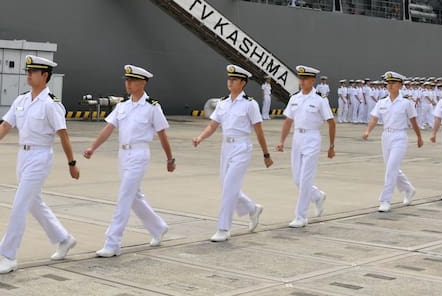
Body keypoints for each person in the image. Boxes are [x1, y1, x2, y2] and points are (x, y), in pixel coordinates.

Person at [0, 55, 80, 274]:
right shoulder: (21, 100)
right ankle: (64, 238)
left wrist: (72, 163)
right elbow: (6, 125)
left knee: (19, 205)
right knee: (34, 203)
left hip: (40, 157)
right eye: (28, 71)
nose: (28, 74)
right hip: (22, 157)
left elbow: (64, 135)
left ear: (44, 76)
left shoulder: (52, 105)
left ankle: (9, 256)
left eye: (33, 72)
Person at [82, 65, 176, 257]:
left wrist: (170, 158)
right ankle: (158, 227)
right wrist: (93, 147)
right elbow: (108, 129)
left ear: (143, 83)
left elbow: (162, 135)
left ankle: (112, 242)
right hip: (123, 155)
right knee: (134, 197)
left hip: (139, 154)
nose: (128, 84)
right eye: (126, 80)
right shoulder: (122, 106)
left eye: (132, 81)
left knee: (124, 197)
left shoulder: (152, 107)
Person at [192, 65, 273, 241]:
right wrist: (200, 137)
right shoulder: (222, 103)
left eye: (234, 80)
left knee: (229, 187)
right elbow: (213, 125)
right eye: (229, 79)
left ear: (243, 83)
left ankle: (223, 228)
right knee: (227, 186)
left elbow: (258, 130)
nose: (230, 82)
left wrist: (266, 154)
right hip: (226, 148)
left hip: (242, 147)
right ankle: (252, 209)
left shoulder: (250, 104)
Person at [275, 65, 335, 227]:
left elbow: (331, 122)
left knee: (306, 178)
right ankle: (317, 196)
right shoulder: (295, 98)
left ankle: (301, 216)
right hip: (297, 138)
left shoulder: (320, 99)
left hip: (312, 137)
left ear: (312, 80)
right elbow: (288, 121)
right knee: (297, 179)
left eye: (305, 79)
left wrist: (331, 145)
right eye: (300, 78)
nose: (302, 82)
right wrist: (282, 141)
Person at [362, 71, 423, 212]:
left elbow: (413, 121)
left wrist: (419, 137)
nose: (390, 86)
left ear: (400, 85)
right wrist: (367, 131)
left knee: (391, 169)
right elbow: (374, 118)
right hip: (386, 136)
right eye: (388, 83)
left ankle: (385, 200)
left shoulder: (406, 103)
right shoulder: (382, 102)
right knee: (392, 168)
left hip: (399, 136)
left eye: (393, 83)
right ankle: (408, 189)